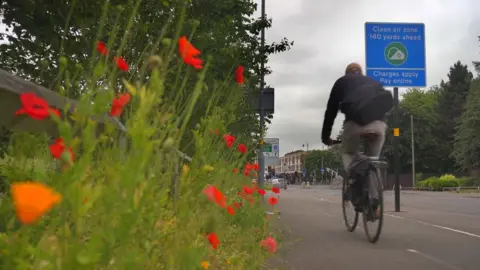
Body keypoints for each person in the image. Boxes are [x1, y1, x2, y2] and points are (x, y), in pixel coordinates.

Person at [321, 63, 390, 215]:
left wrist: (326, 137)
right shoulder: (373, 82)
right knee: (373, 160)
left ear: (347, 73)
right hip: (379, 125)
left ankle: (353, 183)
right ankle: (375, 202)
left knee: (348, 153)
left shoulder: (341, 82)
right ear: (361, 72)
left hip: (354, 125)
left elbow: (331, 111)